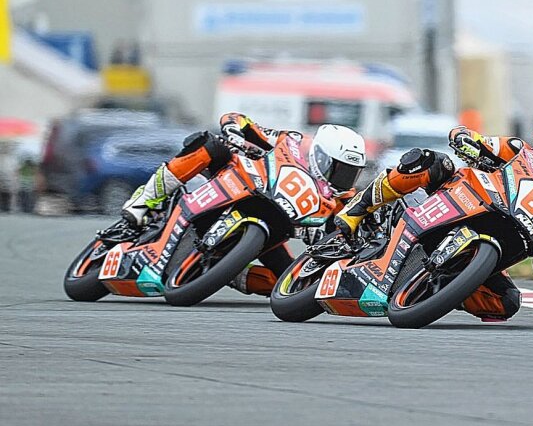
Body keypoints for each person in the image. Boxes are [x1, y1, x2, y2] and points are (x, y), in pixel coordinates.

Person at [334, 116, 533, 322]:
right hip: (462, 196)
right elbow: (472, 139)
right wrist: (466, 141)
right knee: (429, 162)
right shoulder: (518, 150)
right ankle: (358, 209)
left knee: (506, 303)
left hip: (494, 237)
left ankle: (443, 290)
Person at [121, 113, 366, 294]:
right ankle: (145, 199)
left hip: (273, 226)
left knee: (292, 281)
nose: (345, 179)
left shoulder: (341, 197)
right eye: (341, 170)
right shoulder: (290, 142)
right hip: (241, 183)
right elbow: (237, 119)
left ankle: (230, 272)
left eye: (352, 173)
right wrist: (233, 132)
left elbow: (344, 228)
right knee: (209, 144)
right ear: (321, 156)